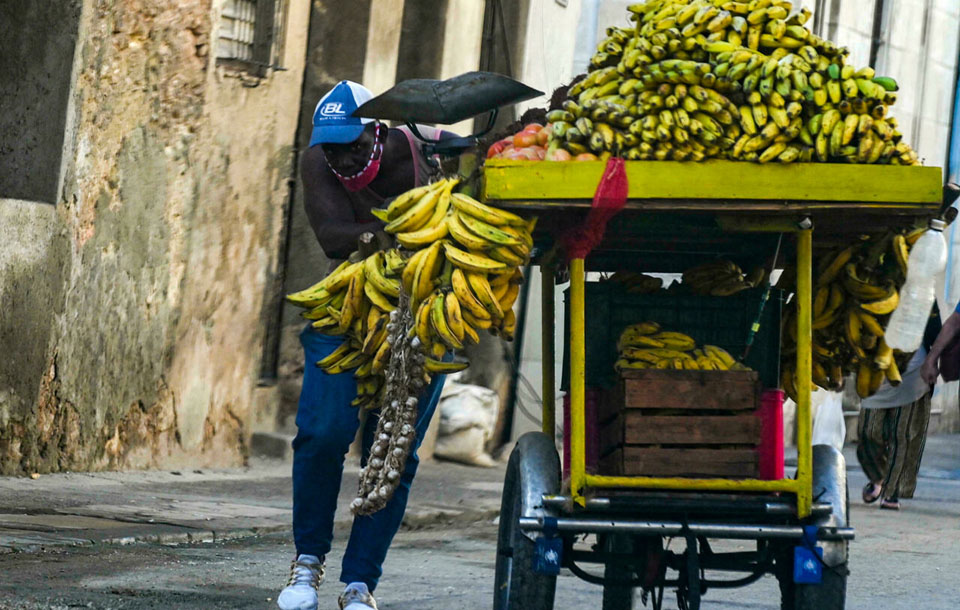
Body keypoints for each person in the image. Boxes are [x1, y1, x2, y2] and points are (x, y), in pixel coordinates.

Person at [278, 81, 453, 610]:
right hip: (351, 305)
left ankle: (360, 583)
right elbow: (333, 235)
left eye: (354, 144)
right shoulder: (318, 162)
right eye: (333, 147)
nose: (344, 157)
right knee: (322, 433)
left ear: (378, 131)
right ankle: (307, 563)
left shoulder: (431, 149)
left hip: (424, 312)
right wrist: (408, 229)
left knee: (393, 451)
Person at [856, 309, 941, 511]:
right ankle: (879, 478)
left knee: (903, 436)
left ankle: (891, 492)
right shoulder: (873, 290)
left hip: (913, 372)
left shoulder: (923, 293)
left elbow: (939, 330)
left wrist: (933, 361)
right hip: (876, 367)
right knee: (868, 431)